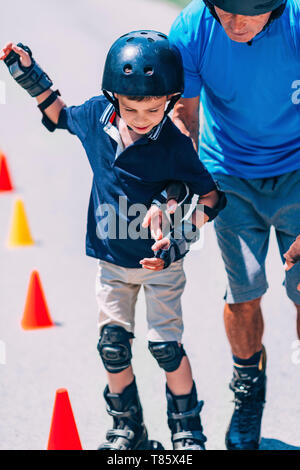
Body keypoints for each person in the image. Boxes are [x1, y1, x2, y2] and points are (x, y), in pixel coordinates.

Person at [0, 32, 226, 450]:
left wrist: (179, 240)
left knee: (165, 349)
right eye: (131, 107)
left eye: (155, 108)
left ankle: (186, 431)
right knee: (113, 347)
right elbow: (59, 114)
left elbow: (212, 197)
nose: (142, 118)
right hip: (112, 263)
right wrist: (27, 75)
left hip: (162, 267)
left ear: (172, 99)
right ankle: (128, 429)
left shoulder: (174, 145)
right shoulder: (95, 120)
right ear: (112, 97)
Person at [169, 0, 300, 450]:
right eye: (225, 9)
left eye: (249, 13)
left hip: (298, 171)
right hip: (229, 174)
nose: (235, 23)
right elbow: (185, 116)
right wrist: (185, 187)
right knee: (244, 294)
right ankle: (248, 395)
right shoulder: (192, 28)